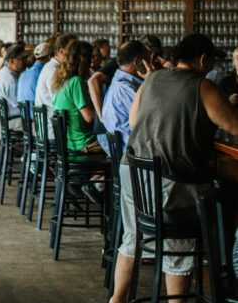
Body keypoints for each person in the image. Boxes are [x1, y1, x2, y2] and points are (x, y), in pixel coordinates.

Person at [110, 34, 238, 303]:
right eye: (212, 61)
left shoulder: (153, 78)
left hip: (134, 173)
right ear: (203, 59)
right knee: (179, 241)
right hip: (172, 180)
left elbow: (133, 121)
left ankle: (116, 300)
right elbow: (235, 127)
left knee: (132, 237)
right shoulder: (202, 86)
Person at [88, 34, 162, 123]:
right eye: (149, 54)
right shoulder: (124, 66)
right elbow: (93, 80)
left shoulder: (127, 77)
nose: (151, 60)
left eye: (155, 55)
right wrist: (101, 117)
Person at [51, 40, 101, 154]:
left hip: (70, 143)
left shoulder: (59, 80)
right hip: (84, 144)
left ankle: (96, 172)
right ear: (83, 60)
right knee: (118, 144)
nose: (92, 62)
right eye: (90, 57)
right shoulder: (76, 82)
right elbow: (89, 117)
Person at [101, 41, 149, 149]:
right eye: (148, 60)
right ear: (137, 62)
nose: (150, 65)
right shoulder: (126, 88)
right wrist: (151, 80)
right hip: (132, 155)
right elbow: (149, 118)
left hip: (128, 149)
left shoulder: (119, 81)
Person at [35, 33, 77, 124]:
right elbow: (61, 103)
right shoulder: (53, 71)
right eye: (72, 50)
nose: (75, 53)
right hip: (53, 128)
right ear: (61, 51)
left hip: (52, 123)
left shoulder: (52, 67)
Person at [0, 44, 28, 129]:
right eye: (21, 59)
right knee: (41, 124)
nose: (24, 61)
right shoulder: (10, 80)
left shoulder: (5, 71)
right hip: (13, 120)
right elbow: (19, 104)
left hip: (11, 117)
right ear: (11, 61)